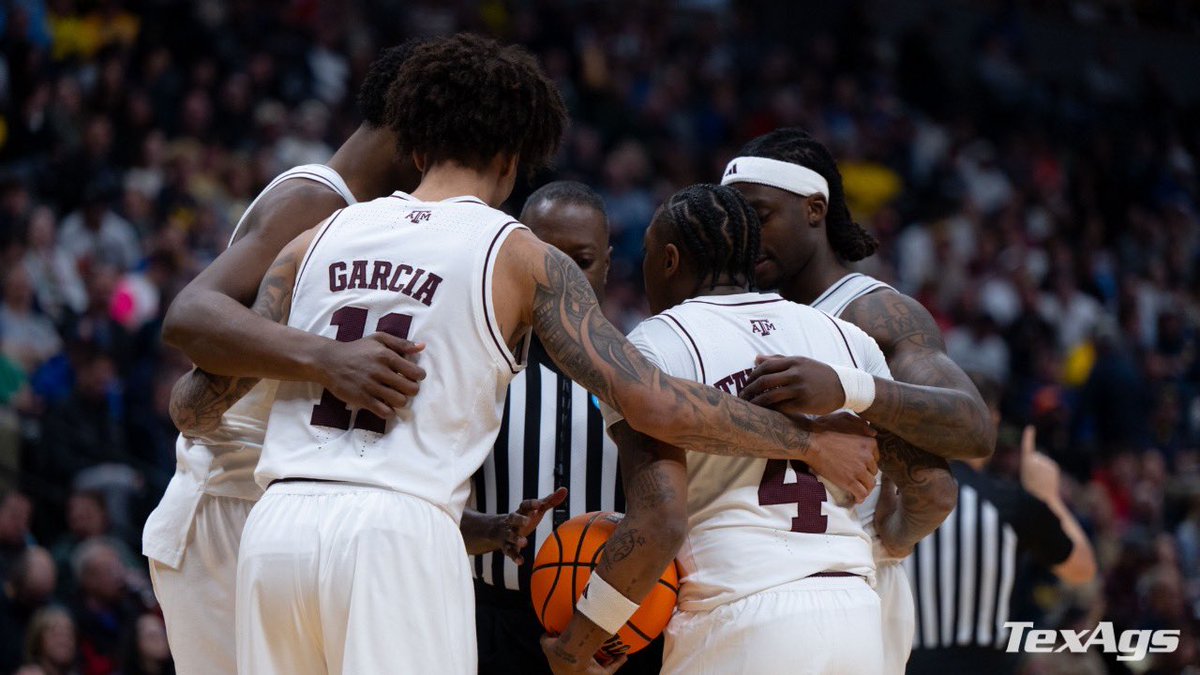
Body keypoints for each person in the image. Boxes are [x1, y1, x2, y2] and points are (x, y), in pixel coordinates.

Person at [172, 34, 876, 675]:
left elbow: (195, 404)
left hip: (276, 533)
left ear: (415, 143)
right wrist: (806, 440)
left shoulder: (316, 238)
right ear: (514, 160)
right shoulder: (519, 256)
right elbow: (657, 402)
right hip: (397, 539)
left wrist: (324, 359)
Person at [143, 43, 426, 675]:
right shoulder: (316, 200)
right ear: (417, 140)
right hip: (222, 508)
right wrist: (330, 359)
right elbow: (189, 315)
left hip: (272, 511)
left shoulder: (357, 215)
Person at [543, 183, 891, 674]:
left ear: (667, 259)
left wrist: (574, 648)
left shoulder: (654, 346)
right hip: (856, 613)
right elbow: (921, 494)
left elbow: (658, 521)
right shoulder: (846, 338)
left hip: (740, 617)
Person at [726, 128, 989, 674]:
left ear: (816, 209)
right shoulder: (735, 306)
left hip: (849, 583)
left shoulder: (872, 312)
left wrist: (852, 388)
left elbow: (972, 425)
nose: (745, 237)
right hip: (749, 581)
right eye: (735, 221)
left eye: (760, 216)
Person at [465, 181, 662, 675]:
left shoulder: (645, 370)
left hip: (613, 628)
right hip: (494, 620)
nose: (562, 274)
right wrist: (495, 530)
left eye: (582, 259)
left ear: (609, 263)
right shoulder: (478, 364)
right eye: (547, 255)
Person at [905, 381, 1096, 674]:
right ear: (990, 420)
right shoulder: (1008, 502)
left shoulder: (894, 495)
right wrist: (1048, 497)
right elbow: (1082, 569)